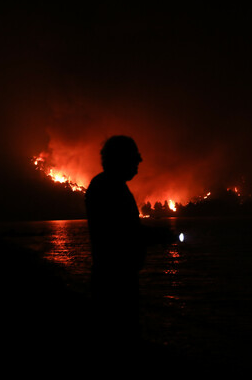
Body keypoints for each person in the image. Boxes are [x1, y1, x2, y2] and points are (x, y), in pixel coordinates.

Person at [85, 135, 175, 349]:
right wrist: (160, 236)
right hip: (116, 282)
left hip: (111, 278)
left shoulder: (105, 185)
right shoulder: (110, 188)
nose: (140, 161)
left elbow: (124, 230)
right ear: (121, 158)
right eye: (135, 156)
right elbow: (123, 232)